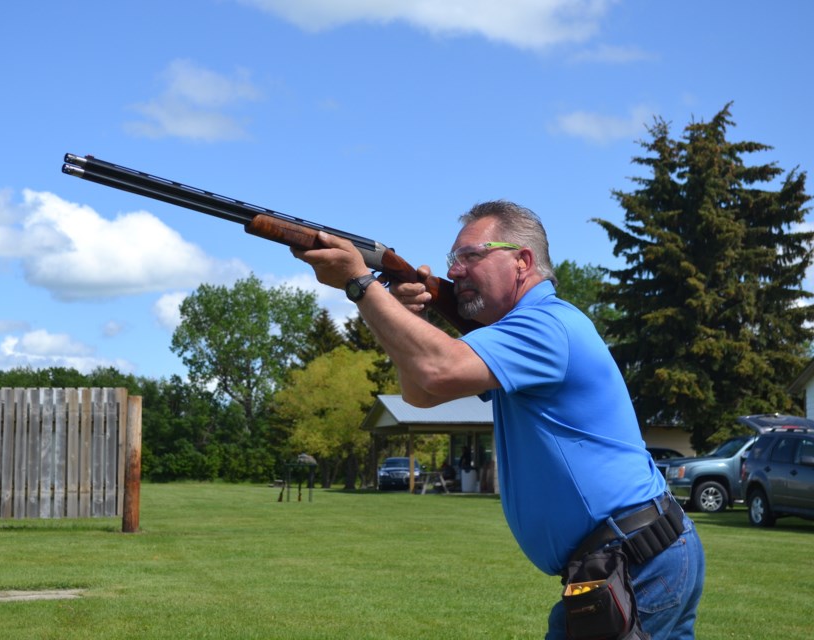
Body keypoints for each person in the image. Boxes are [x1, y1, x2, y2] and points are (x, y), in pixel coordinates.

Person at [293, 200, 705, 639]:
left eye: (471, 255)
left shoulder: (547, 324)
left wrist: (360, 284)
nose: (455, 272)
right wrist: (404, 315)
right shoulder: (521, 332)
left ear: (522, 261)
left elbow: (438, 368)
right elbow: (422, 392)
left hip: (633, 560)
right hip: (632, 557)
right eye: (454, 259)